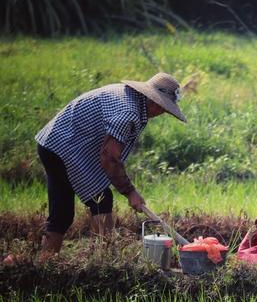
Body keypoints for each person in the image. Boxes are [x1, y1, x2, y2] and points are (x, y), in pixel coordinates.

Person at [35, 72, 186, 261]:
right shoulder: (128, 113)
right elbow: (109, 158)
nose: (163, 113)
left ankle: (44, 263)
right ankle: (106, 261)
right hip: (63, 146)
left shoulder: (130, 98)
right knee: (101, 199)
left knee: (62, 212)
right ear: (154, 102)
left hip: (53, 141)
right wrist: (130, 191)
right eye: (164, 108)